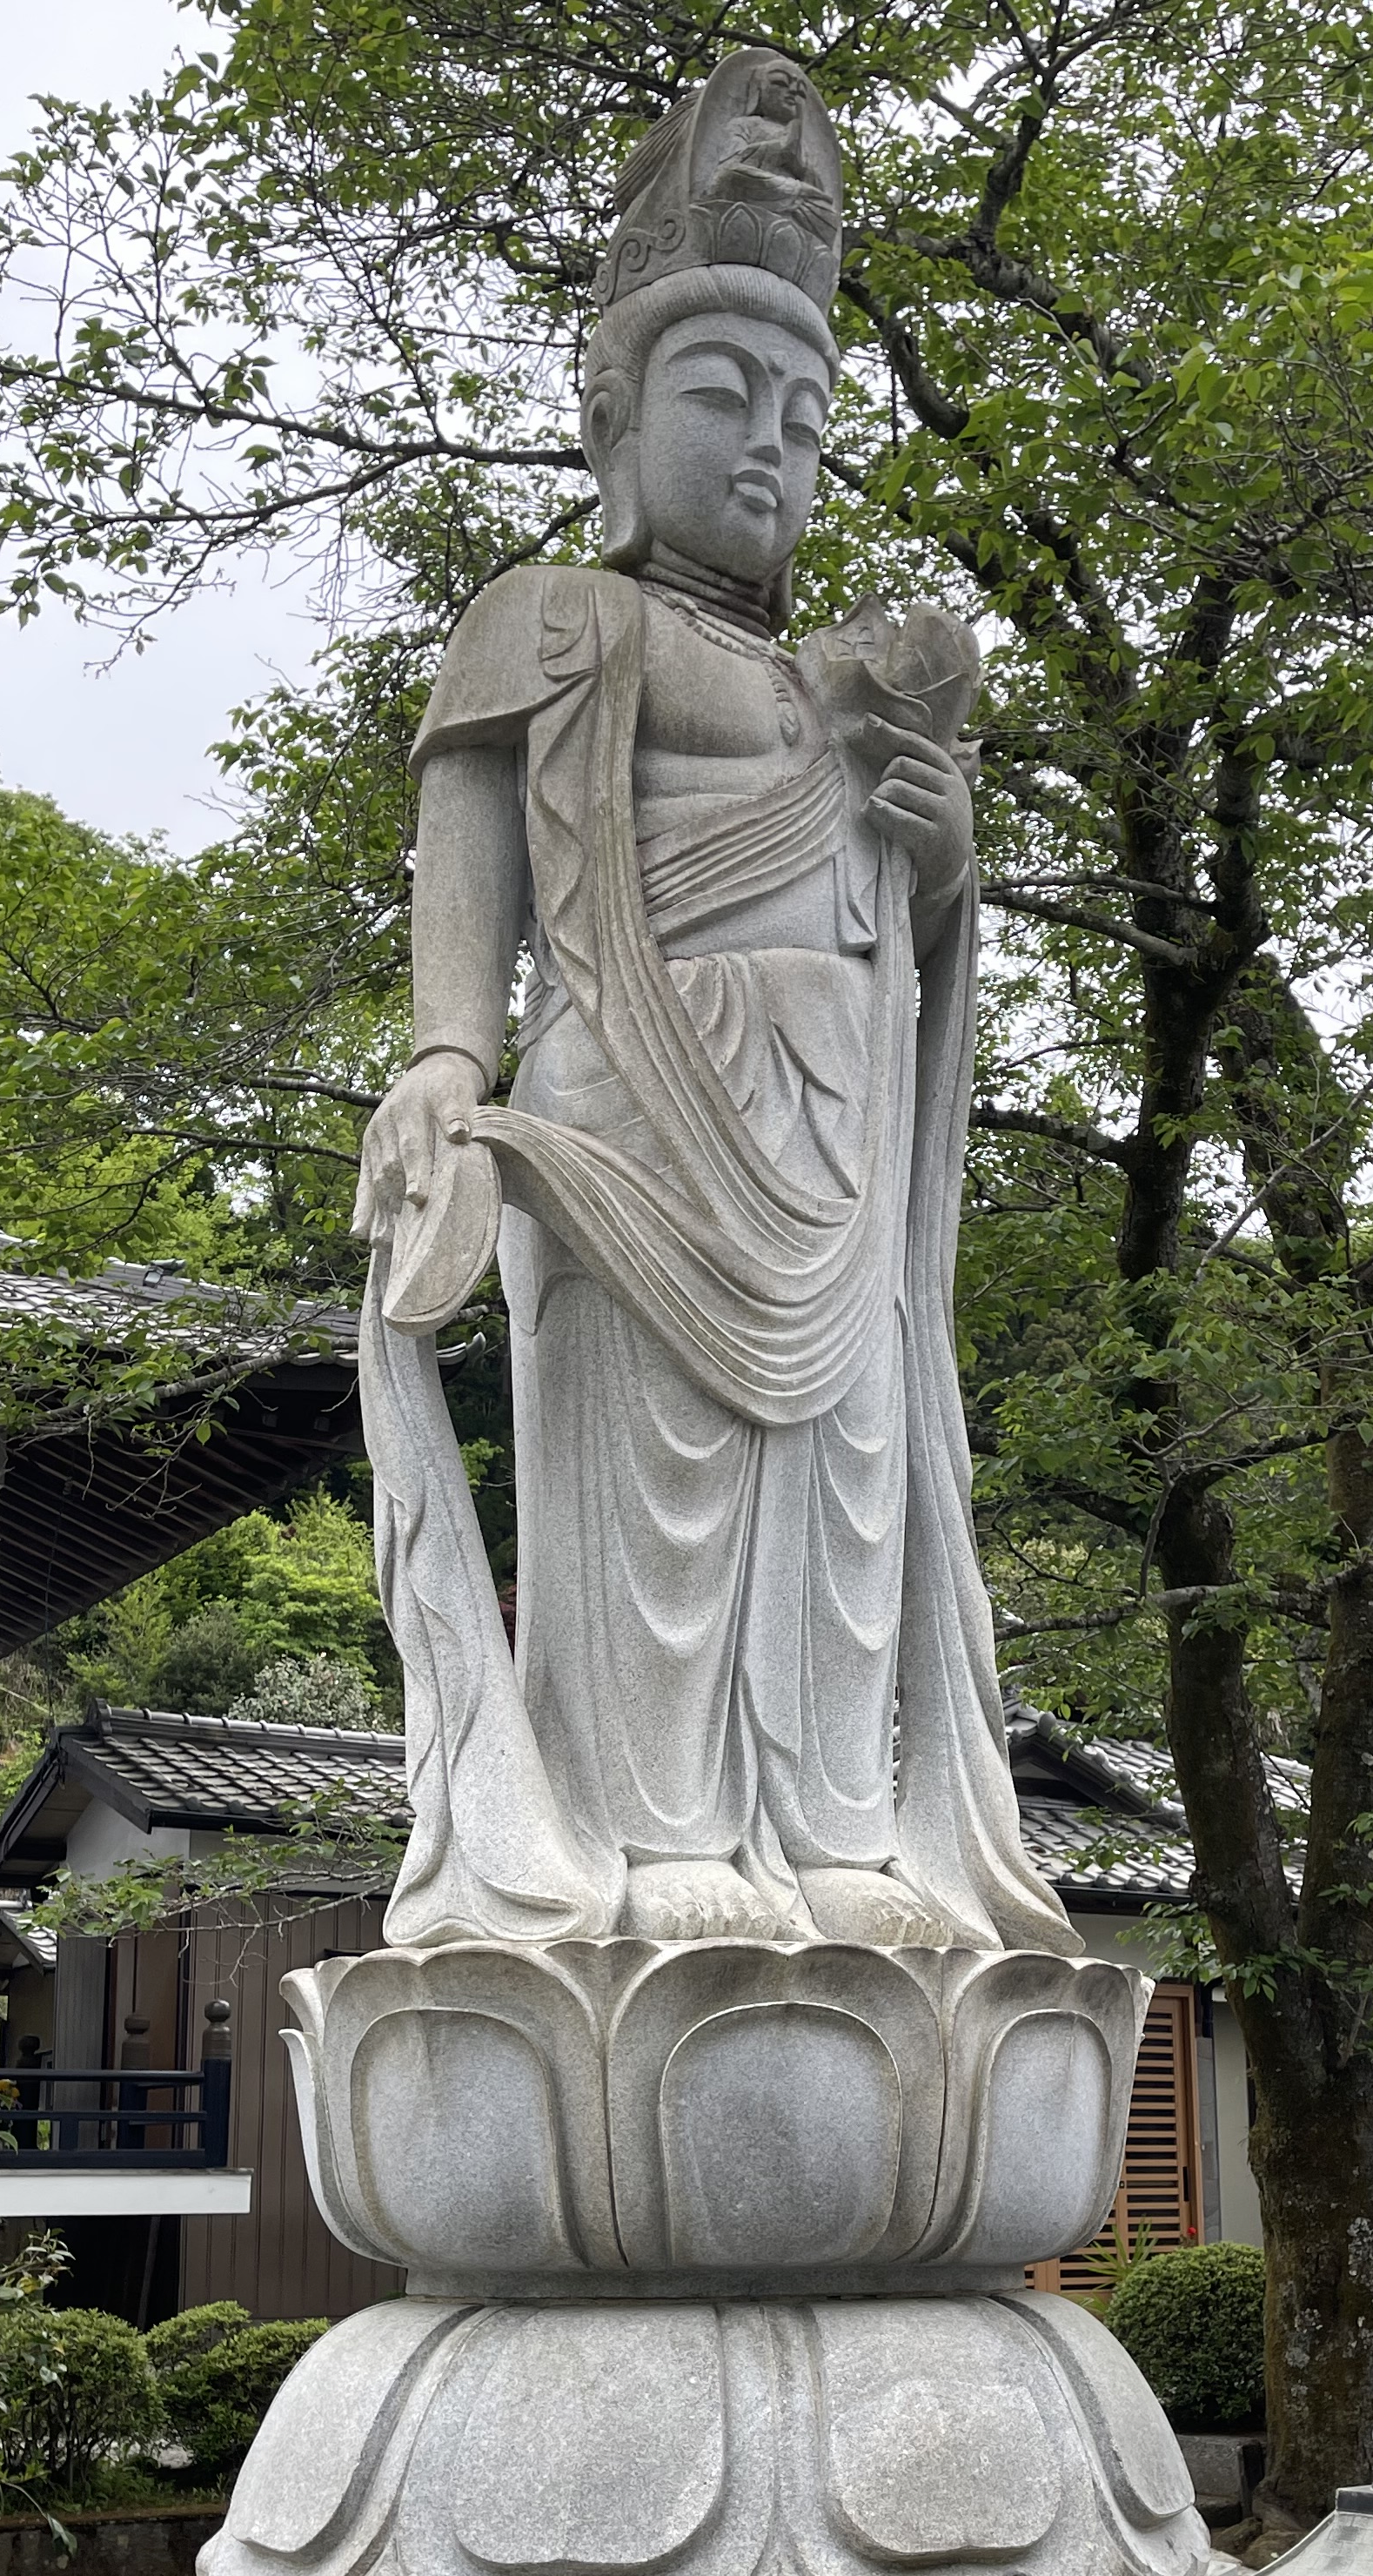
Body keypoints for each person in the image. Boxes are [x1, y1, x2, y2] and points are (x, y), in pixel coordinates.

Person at [353, 50, 1073, 1958]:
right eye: (721, 396)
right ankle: (652, 1824)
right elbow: (470, 844)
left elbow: (904, 921)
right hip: (635, 1103)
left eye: (806, 418)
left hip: (838, 1136)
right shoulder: (557, 616)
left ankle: (834, 1829)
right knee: (652, 1488)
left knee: (844, 1495)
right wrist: (446, 1055)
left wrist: (943, 863)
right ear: (612, 417)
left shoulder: (844, 679)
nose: (770, 447)